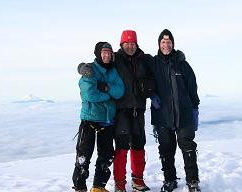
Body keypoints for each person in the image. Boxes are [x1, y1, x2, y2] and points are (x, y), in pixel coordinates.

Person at [78, 30, 153, 192]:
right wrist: (82, 67)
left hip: (138, 109)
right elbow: (97, 64)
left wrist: (178, 57)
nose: (130, 46)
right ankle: (119, 183)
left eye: (133, 43)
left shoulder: (144, 59)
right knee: (122, 146)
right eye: (127, 44)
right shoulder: (116, 58)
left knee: (139, 145)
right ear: (121, 45)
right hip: (121, 110)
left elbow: (160, 65)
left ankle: (138, 180)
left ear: (136, 44)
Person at [149, 29, 201, 192]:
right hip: (162, 114)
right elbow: (142, 79)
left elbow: (192, 87)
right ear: (159, 44)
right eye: (163, 42)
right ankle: (169, 180)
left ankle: (193, 181)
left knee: (188, 146)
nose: (166, 45)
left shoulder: (183, 64)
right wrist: (151, 94)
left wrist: (195, 108)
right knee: (166, 148)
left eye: (169, 42)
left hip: (184, 113)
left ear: (173, 44)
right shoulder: (153, 63)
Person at [72, 42, 124, 192]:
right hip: (90, 119)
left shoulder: (113, 71)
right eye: (104, 52)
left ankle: (98, 187)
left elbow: (120, 91)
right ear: (98, 54)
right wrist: (109, 95)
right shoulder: (89, 70)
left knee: (106, 155)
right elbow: (90, 94)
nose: (107, 55)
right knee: (83, 156)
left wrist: (106, 87)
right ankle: (80, 187)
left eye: (109, 52)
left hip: (107, 120)